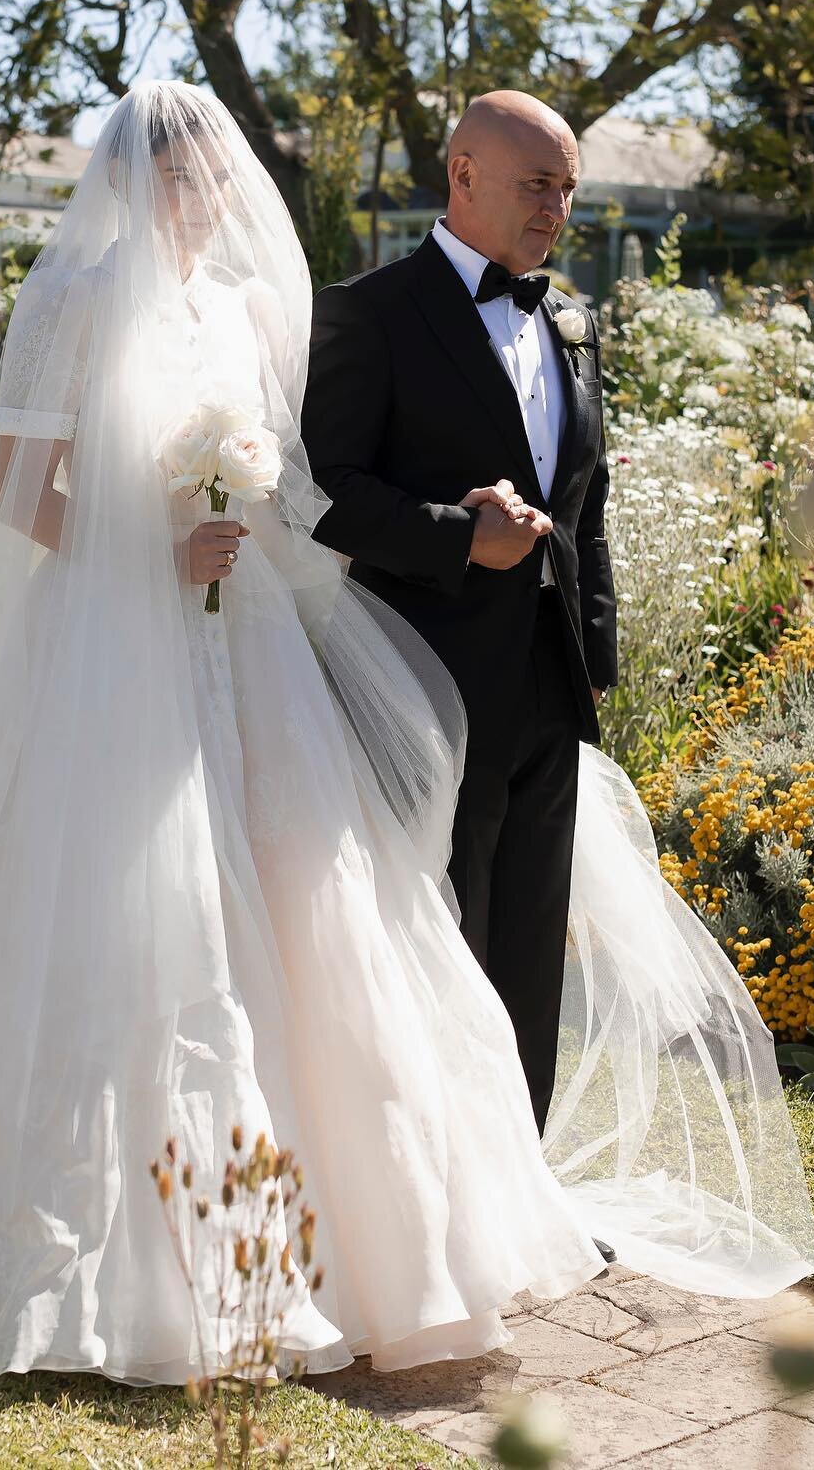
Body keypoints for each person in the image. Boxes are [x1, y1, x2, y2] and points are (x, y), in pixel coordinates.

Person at [0, 81, 814, 1390]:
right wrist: (148, 548)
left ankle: (363, 1226)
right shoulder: (73, 300)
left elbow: (301, 485)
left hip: (244, 643)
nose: (205, 203)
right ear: (139, 186)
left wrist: (260, 526)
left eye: (214, 180)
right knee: (126, 914)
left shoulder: (252, 312)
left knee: (310, 911)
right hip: (112, 644)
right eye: (184, 181)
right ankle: (97, 1235)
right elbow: (23, 488)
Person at [302, 90, 609, 1135]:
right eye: (538, 185)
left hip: (547, 681)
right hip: (418, 679)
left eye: (567, 189)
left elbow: (585, 498)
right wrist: (454, 533)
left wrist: (593, 659)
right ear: (464, 175)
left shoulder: (571, 318)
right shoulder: (368, 311)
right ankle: (434, 1169)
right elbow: (322, 489)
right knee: (441, 930)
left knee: (531, 933)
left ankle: (517, 1170)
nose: (557, 209)